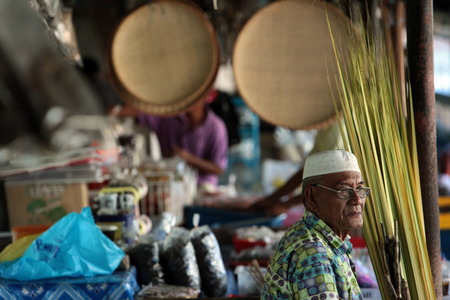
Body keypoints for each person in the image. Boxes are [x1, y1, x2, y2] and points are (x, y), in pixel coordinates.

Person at [261, 149, 369, 299]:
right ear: (312, 197)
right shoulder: (314, 254)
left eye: (360, 189)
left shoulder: (325, 239)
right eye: (344, 190)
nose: (357, 200)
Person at [249, 121, 346, 215]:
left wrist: (286, 204)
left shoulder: (337, 127)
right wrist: (271, 199)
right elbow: (309, 169)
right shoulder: (325, 127)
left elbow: (333, 180)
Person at [136, 95, 228, 189]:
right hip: (167, 184)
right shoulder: (168, 116)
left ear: (205, 98)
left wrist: (187, 158)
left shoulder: (216, 127)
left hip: (201, 185)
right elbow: (138, 113)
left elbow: (218, 168)